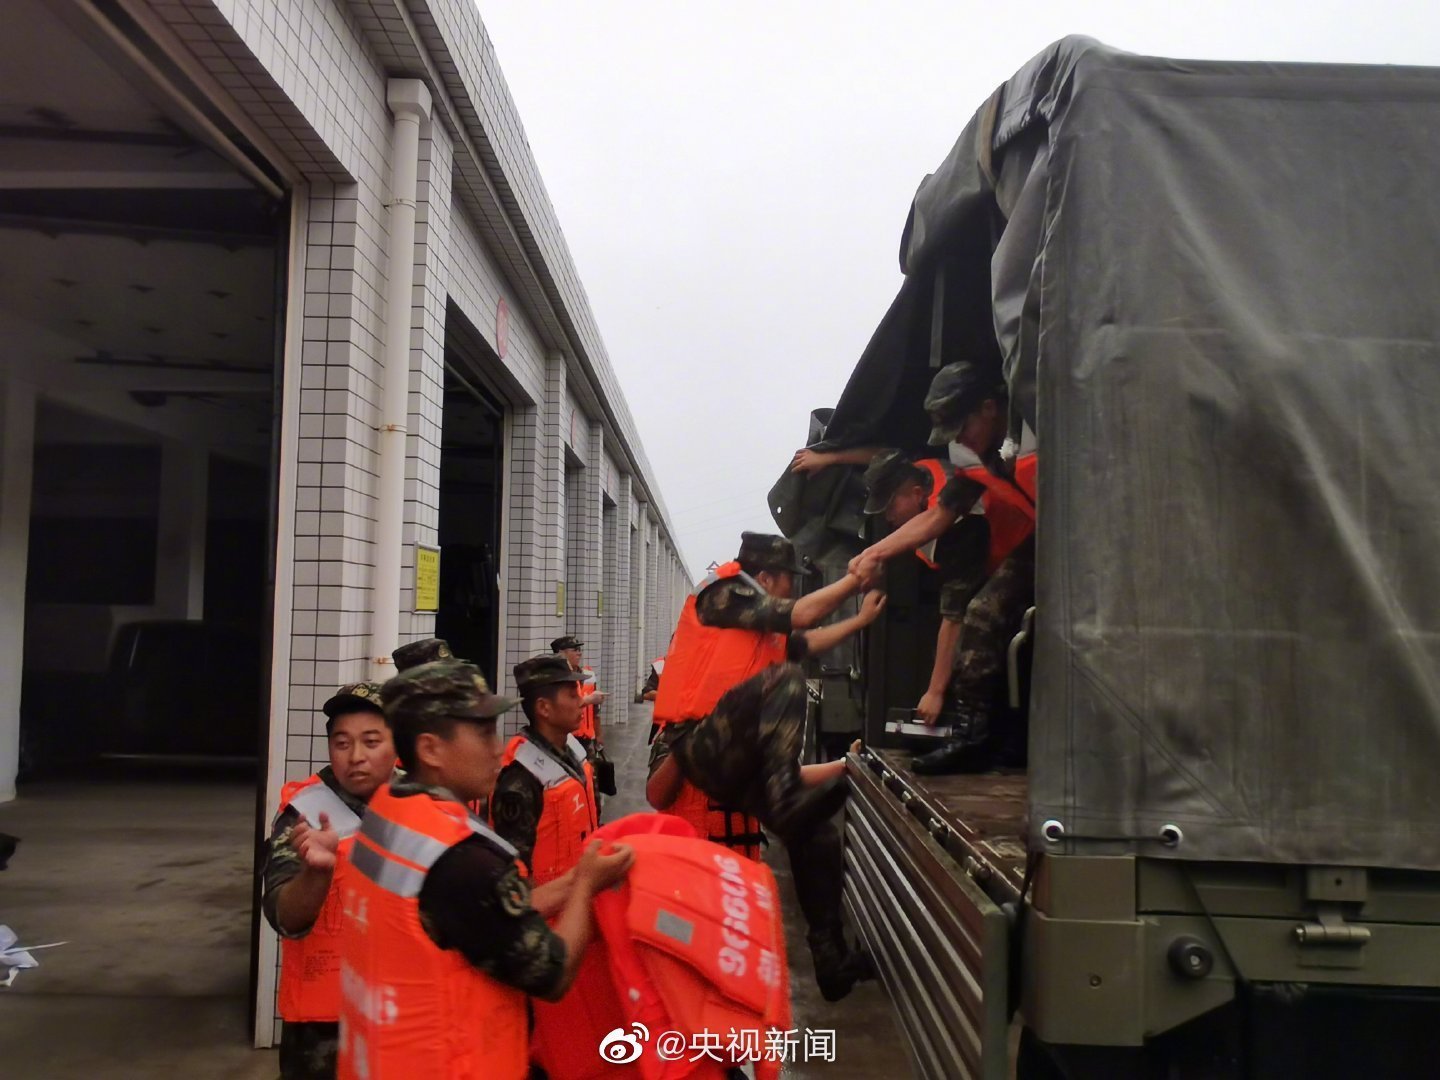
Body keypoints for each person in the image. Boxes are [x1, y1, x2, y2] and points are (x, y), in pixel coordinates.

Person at [336, 660, 633, 1080]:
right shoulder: (461, 860)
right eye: (482, 732)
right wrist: (586, 887)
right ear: (430, 749)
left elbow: (485, 917)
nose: (498, 748)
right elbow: (551, 971)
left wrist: (575, 878)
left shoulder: (390, 815)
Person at [646, 531, 886, 1000]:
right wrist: (853, 581)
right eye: (787, 581)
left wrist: (859, 622)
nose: (792, 590)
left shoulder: (759, 635)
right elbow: (801, 616)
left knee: (818, 833)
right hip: (690, 742)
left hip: (725, 756)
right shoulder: (723, 594)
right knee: (789, 682)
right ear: (765, 577)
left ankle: (830, 958)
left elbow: (806, 639)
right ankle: (784, 798)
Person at [850, 361, 1037, 774]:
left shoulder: (1036, 426)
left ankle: (975, 739)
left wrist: (936, 692)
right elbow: (937, 516)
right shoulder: (976, 455)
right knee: (1001, 631)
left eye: (961, 426)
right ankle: (987, 741)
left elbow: (953, 613)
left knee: (982, 616)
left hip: (1066, 537)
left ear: (989, 407)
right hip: (1037, 540)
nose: (958, 439)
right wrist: (875, 553)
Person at [261, 681, 394, 1079]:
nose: (356, 757)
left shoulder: (422, 804)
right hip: (324, 1038)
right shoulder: (304, 814)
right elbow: (283, 916)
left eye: (371, 742)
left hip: (404, 1019)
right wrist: (317, 873)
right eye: (342, 743)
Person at [489, 654, 598, 883]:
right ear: (544, 708)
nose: (581, 701)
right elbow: (513, 878)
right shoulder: (520, 779)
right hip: (549, 914)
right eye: (571, 694)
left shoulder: (572, 751)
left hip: (579, 899)